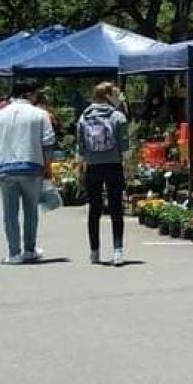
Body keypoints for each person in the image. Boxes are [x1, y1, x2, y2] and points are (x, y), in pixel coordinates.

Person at [0, 81, 55, 265]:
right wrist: (47, 167)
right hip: (33, 168)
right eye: (34, 94)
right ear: (27, 94)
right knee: (31, 211)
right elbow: (48, 143)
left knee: (10, 213)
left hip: (6, 169)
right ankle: (29, 250)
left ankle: (14, 253)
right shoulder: (40, 114)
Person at [77, 82, 129, 266]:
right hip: (113, 165)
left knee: (94, 209)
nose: (118, 96)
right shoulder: (118, 116)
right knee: (116, 208)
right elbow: (124, 146)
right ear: (108, 95)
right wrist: (128, 166)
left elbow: (81, 147)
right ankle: (117, 251)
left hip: (92, 166)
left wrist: (80, 168)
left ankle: (94, 251)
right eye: (115, 93)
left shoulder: (84, 117)